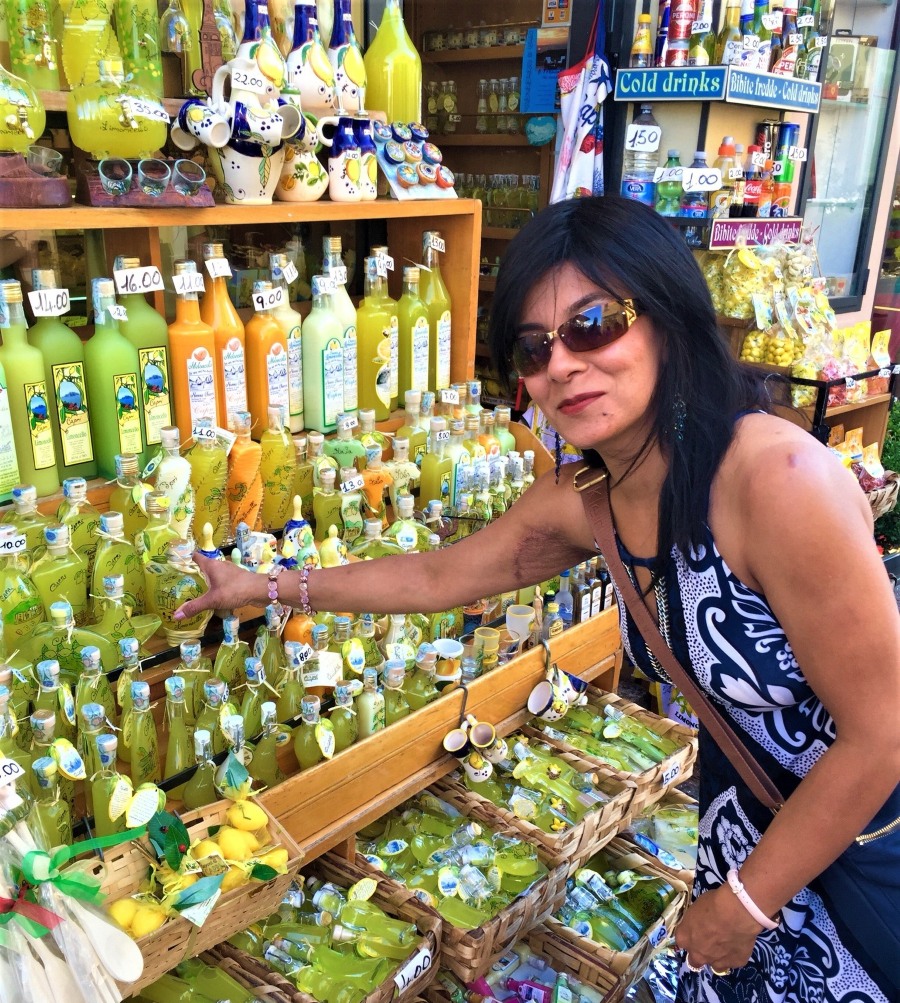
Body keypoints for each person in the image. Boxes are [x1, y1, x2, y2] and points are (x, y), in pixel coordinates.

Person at [176, 196, 900, 1003]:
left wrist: (746, 901)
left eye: (595, 323)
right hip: (744, 840)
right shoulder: (591, 492)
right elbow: (438, 576)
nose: (560, 364)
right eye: (533, 345)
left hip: (849, 854)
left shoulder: (776, 481)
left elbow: (885, 732)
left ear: (665, 317)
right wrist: (265, 585)